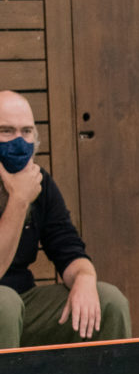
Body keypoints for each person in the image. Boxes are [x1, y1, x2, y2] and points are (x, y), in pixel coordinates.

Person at [0, 90, 130, 349]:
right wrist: (19, 201)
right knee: (5, 303)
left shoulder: (40, 182)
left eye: (26, 131)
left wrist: (84, 278)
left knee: (109, 301)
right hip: (5, 306)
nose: (19, 141)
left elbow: (67, 246)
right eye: (6, 131)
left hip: (23, 303)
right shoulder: (26, 191)